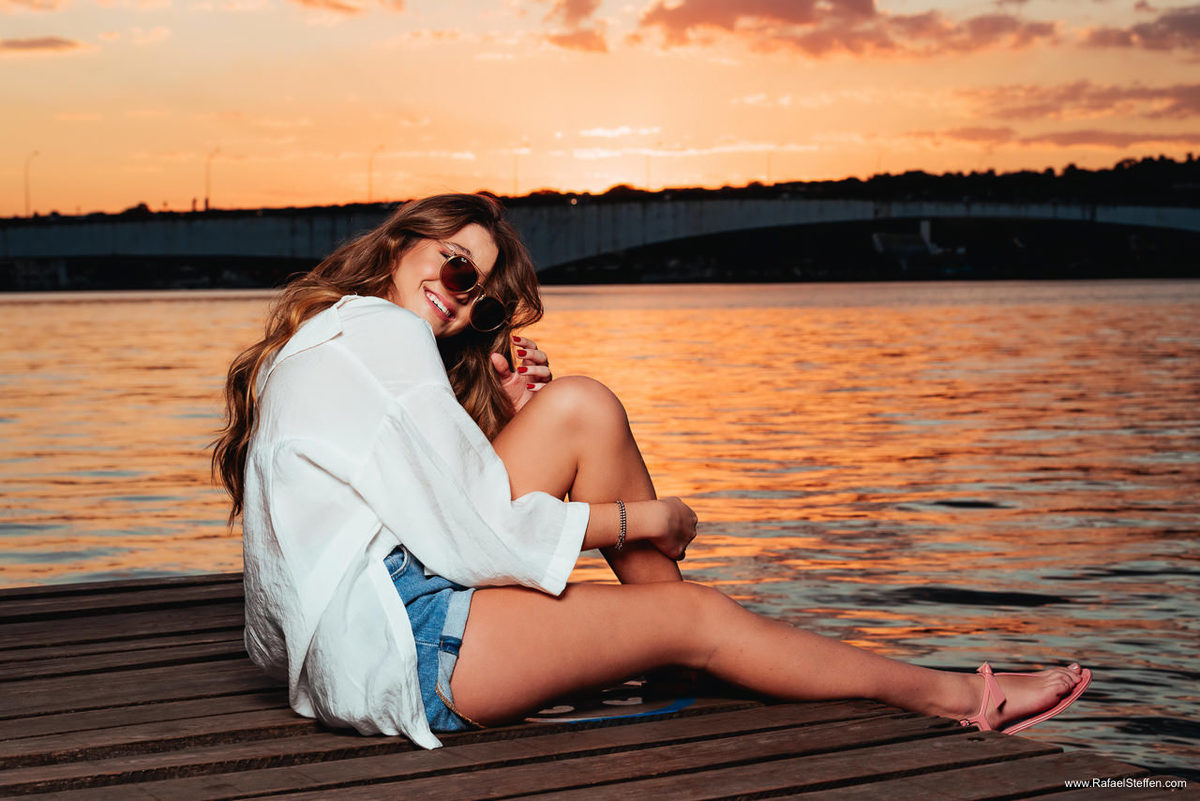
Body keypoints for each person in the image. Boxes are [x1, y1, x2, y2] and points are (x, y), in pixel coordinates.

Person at [213, 193, 1090, 749]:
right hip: (411, 649)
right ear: (407, 241)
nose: (462, 296)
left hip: (375, 630)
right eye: (455, 265)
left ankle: (683, 647)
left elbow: (430, 502)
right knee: (699, 610)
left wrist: (519, 421)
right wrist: (645, 522)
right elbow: (470, 530)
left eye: (479, 296)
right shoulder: (381, 331)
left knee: (578, 407)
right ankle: (960, 696)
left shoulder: (344, 334)